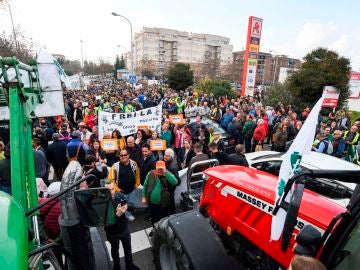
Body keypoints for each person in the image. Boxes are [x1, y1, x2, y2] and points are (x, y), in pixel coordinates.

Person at [104, 181, 140, 270]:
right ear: (104, 190)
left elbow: (132, 205)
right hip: (112, 233)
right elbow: (104, 222)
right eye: (109, 190)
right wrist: (117, 215)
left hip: (124, 229)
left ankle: (129, 264)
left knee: (128, 248)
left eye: (112, 189)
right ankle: (117, 266)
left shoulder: (119, 196)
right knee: (115, 250)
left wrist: (128, 206)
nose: (112, 192)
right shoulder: (103, 203)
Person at [108, 149, 141, 221]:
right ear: (119, 156)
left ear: (128, 155)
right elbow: (111, 179)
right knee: (123, 204)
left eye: (125, 155)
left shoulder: (133, 163)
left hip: (132, 189)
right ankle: (126, 215)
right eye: (121, 155)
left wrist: (137, 184)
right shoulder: (115, 166)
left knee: (130, 202)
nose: (123, 157)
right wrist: (118, 189)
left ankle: (128, 213)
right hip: (121, 191)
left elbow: (137, 174)